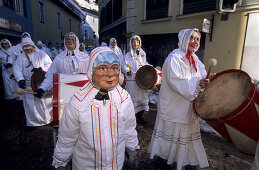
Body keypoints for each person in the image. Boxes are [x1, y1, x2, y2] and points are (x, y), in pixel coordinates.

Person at [52, 46, 139, 169]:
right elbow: (67, 137)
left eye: (114, 68)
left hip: (115, 164)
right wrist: (61, 160)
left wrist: (131, 147)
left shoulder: (123, 98)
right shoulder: (78, 103)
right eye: (102, 68)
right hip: (87, 165)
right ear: (91, 71)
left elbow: (129, 127)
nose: (109, 74)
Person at [149, 28, 212, 170]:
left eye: (197, 39)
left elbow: (201, 76)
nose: (195, 42)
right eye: (192, 38)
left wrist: (208, 79)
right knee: (169, 143)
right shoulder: (173, 59)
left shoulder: (195, 60)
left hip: (188, 111)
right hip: (174, 110)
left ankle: (180, 164)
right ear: (184, 40)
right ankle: (162, 162)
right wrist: (198, 84)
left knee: (186, 145)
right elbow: (178, 82)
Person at [13, 37, 53, 127]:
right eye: (25, 46)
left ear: (33, 45)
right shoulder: (21, 57)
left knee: (43, 102)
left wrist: (41, 69)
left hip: (41, 83)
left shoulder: (42, 54)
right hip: (28, 84)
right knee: (30, 104)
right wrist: (20, 79)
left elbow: (50, 65)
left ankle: (46, 120)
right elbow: (17, 68)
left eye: (29, 46)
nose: (27, 48)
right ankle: (32, 122)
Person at [36, 32, 90, 98]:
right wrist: (42, 88)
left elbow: (93, 73)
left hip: (83, 94)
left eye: (73, 40)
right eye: (68, 40)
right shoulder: (59, 58)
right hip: (65, 95)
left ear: (77, 42)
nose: (70, 41)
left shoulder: (86, 58)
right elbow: (51, 76)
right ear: (65, 42)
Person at [121, 35, 150, 123]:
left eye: (137, 42)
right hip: (132, 80)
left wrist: (149, 68)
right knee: (133, 98)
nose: (135, 44)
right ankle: (132, 116)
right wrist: (127, 71)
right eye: (134, 42)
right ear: (131, 43)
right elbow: (123, 66)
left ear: (139, 43)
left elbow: (145, 63)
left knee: (142, 97)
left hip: (141, 79)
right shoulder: (127, 55)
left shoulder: (142, 53)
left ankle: (141, 114)